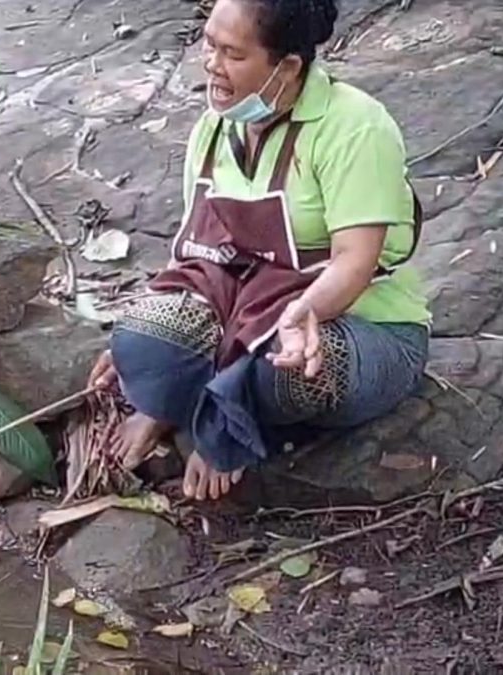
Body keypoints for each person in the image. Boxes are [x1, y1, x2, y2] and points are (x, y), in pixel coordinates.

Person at [87, 0, 430, 501]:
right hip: (244, 319)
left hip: (357, 326)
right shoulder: (214, 129)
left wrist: (304, 312)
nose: (211, 64)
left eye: (232, 54)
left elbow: (355, 260)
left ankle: (225, 425)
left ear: (287, 66)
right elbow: (196, 254)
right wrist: (143, 351)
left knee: (290, 371)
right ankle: (186, 403)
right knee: (145, 339)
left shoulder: (355, 126)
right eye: (209, 45)